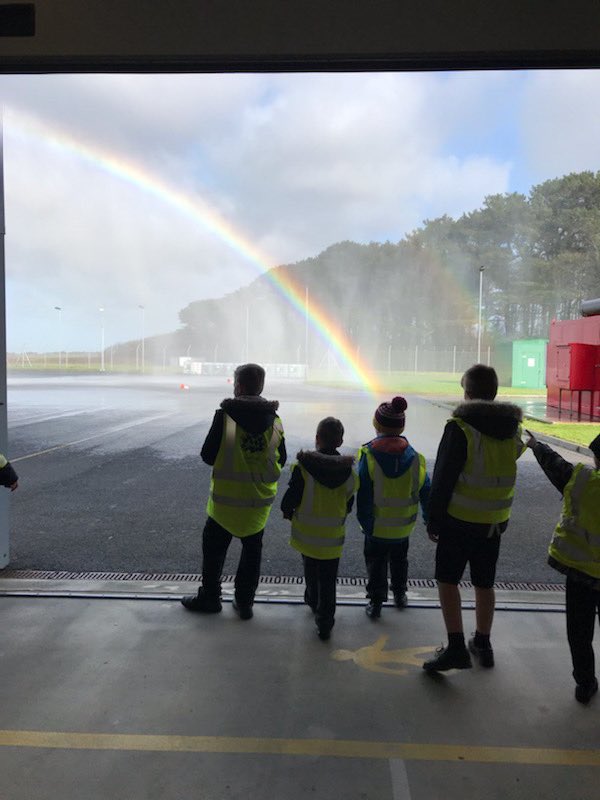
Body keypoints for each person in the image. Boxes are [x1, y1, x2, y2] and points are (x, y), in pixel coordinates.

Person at [423, 364, 525, 672]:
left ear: (467, 394)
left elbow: (443, 478)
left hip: (459, 519)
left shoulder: (460, 428)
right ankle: (482, 641)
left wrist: (433, 519)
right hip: (494, 522)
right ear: (494, 393)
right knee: (484, 582)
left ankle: (456, 647)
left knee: (447, 580)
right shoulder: (512, 429)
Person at [181, 363, 286, 620]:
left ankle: (210, 597)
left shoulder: (225, 416)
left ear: (238, 386)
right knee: (252, 553)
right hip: (257, 503)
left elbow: (208, 455)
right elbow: (281, 459)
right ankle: (245, 602)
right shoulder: (275, 421)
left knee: (214, 550)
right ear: (261, 387)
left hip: (225, 504)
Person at [526, 430, 600, 704]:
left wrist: (536, 445)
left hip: (581, 574)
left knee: (579, 633)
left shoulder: (583, 480)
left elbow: (556, 466)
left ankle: (585, 682)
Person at [281, 417, 357, 640]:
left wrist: (287, 511)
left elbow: (291, 497)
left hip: (307, 536)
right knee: (328, 579)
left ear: (317, 439)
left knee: (310, 569)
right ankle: (325, 623)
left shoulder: (303, 468)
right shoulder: (349, 474)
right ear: (340, 441)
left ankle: (312, 601)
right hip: (332, 539)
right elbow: (348, 504)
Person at [356, 396, 430, 619]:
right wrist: (429, 520)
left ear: (376, 424)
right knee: (400, 561)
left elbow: (364, 494)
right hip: (403, 528)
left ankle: (376, 601)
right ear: (402, 427)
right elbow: (426, 491)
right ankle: (400, 594)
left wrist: (365, 522)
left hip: (377, 527)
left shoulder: (368, 456)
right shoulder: (415, 458)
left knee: (376, 563)